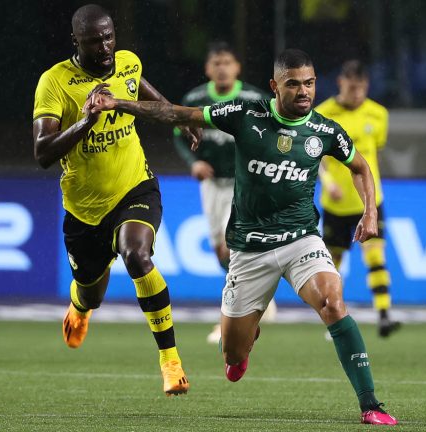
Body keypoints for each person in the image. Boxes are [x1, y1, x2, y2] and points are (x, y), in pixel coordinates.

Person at [89, 49, 398, 425]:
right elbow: (175, 114)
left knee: (333, 302)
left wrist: (369, 212)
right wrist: (118, 103)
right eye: (294, 84)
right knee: (232, 356)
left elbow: (361, 167)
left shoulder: (324, 131)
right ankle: (242, 344)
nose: (304, 92)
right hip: (250, 249)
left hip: (302, 239)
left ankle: (370, 404)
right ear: (274, 86)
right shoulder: (244, 115)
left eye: (310, 83)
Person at [32, 4, 195, 396]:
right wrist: (86, 120)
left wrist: (182, 117)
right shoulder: (54, 82)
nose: (104, 46)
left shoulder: (127, 64)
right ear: (77, 41)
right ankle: (80, 306)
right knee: (92, 291)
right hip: (84, 211)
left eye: (108, 37)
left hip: (135, 187)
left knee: (136, 254)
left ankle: (171, 363)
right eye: (93, 40)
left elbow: (149, 96)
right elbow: (42, 152)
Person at [173, 42, 277, 344]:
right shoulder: (196, 99)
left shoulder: (254, 98)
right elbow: (180, 133)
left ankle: (236, 315)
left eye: (227, 62)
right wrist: (195, 161)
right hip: (212, 184)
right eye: (216, 63)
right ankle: (259, 298)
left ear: (237, 68)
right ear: (208, 69)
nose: (221, 68)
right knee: (221, 250)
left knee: (234, 246)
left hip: (243, 183)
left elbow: (272, 134)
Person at [316, 60, 400, 338]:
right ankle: (334, 319)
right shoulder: (324, 114)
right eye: (352, 87)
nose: (357, 93)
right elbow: (316, 157)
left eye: (361, 87)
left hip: (369, 202)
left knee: (376, 256)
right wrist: (328, 183)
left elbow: (373, 152)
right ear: (341, 83)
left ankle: (384, 315)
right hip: (336, 204)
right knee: (333, 264)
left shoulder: (378, 114)